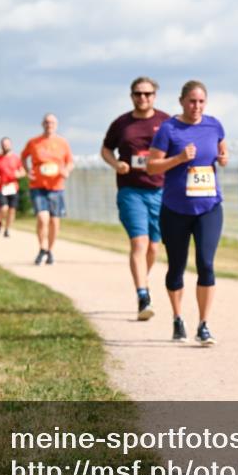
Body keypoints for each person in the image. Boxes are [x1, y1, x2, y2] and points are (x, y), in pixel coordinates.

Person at [146, 81, 228, 345]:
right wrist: (179, 158)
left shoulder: (214, 125)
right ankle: (177, 318)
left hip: (209, 207)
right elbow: (152, 167)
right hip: (175, 209)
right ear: (182, 101)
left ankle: (204, 324)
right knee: (176, 267)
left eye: (202, 101)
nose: (197, 106)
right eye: (192, 101)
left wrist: (223, 158)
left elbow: (222, 150)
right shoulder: (169, 129)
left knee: (206, 264)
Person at [102, 76, 170, 321]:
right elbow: (105, 149)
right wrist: (116, 163)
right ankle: (143, 296)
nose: (143, 98)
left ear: (155, 96)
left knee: (154, 247)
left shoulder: (166, 121)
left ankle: (143, 279)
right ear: (131, 96)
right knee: (139, 244)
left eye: (148, 94)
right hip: (131, 191)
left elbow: (177, 149)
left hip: (161, 190)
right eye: (138, 94)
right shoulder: (122, 123)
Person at [21, 114, 74, 265]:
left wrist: (66, 171)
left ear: (56, 125)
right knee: (42, 218)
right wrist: (27, 170)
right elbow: (23, 156)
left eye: (52, 122)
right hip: (38, 185)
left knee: (54, 221)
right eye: (46, 122)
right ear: (42, 124)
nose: (49, 124)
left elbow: (70, 162)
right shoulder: (34, 142)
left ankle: (50, 250)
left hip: (56, 187)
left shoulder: (62, 142)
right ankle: (42, 248)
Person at [0, 137, 25, 237]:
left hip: (13, 187)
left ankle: (7, 229)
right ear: (1, 146)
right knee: (4, 208)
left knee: (12, 210)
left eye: (7, 144)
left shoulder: (16, 158)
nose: (5, 146)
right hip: (1, 187)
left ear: (10, 145)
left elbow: (23, 171)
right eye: (3, 144)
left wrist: (19, 174)